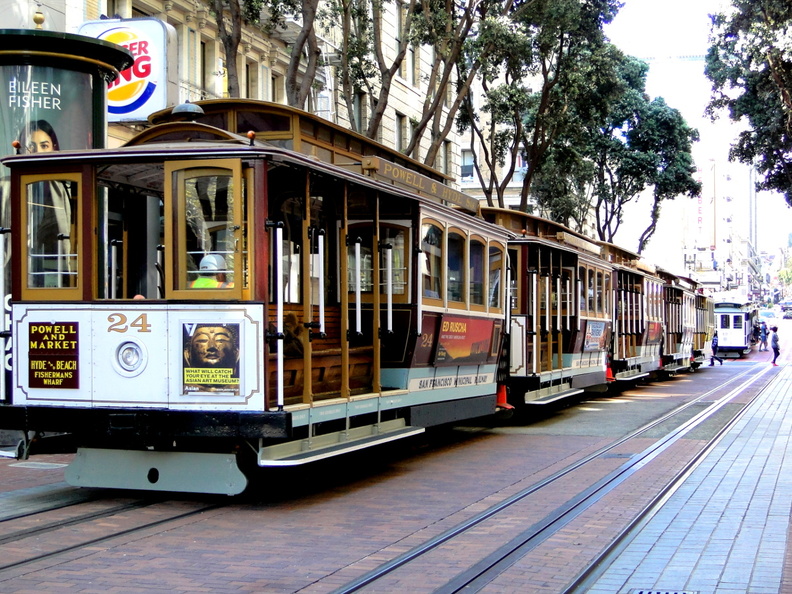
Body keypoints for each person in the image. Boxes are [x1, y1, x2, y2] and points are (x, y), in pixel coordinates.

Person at [183, 323, 240, 393]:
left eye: (220, 340)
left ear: (236, 353)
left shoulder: (244, 391)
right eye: (202, 340)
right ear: (187, 354)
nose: (212, 346)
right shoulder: (177, 392)